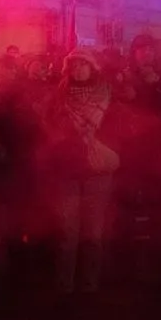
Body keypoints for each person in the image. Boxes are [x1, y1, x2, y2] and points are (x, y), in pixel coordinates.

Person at [43, 50, 116, 294]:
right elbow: (49, 127)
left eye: (83, 64)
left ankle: (89, 285)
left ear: (92, 67)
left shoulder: (106, 94)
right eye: (74, 65)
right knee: (67, 232)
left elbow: (117, 130)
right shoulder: (58, 96)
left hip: (97, 171)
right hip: (67, 168)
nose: (78, 69)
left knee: (94, 233)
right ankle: (63, 286)